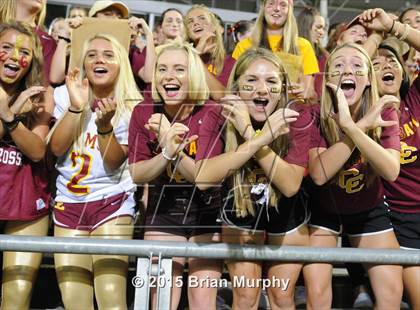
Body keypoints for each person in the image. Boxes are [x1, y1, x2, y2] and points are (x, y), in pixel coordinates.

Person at [195, 47, 312, 309]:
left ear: (282, 90)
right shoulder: (218, 113)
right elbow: (203, 178)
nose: (262, 89)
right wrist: (261, 136)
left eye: (271, 81)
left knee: (281, 296)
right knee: (246, 297)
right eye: (252, 81)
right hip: (241, 205)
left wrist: (249, 132)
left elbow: (291, 185)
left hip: (287, 210)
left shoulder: (298, 116)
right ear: (236, 87)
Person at [303, 42, 403, 310]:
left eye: (357, 65)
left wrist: (351, 127)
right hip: (323, 210)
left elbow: (391, 170)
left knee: (392, 292)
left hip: (368, 208)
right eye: (338, 65)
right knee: (317, 292)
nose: (347, 70)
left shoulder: (385, 110)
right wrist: (357, 127)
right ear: (327, 80)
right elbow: (319, 174)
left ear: (369, 80)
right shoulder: (314, 113)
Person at [128, 41, 223, 310]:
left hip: (207, 211)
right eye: (162, 69)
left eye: (179, 69)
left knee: (203, 300)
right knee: (162, 301)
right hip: (164, 210)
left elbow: (203, 179)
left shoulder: (211, 112)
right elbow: (137, 173)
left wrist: (170, 144)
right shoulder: (143, 111)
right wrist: (166, 152)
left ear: (193, 75)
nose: (169, 76)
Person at [48, 33, 140, 309]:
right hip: (68, 205)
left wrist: (104, 126)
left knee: (112, 298)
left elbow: (113, 162)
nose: (99, 59)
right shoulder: (65, 93)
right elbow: (56, 148)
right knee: (75, 301)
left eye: (109, 54)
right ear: (84, 64)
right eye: (92, 54)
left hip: (112, 202)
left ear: (121, 64)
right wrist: (77, 107)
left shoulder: (132, 105)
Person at [360, 8, 420, 309]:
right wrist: (374, 38)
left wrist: (393, 26)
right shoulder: (362, 112)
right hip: (399, 220)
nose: (386, 65)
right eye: (376, 63)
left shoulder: (415, 100)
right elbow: (348, 66)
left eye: (392, 61)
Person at [0, 21, 54, 310]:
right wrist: (10, 111)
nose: (13, 57)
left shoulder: (40, 94)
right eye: (6, 47)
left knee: (16, 301)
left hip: (25, 203)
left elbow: (36, 150)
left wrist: (11, 118)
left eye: (23, 51)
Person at [232, 0, 319, 100]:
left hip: (290, 109)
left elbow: (310, 92)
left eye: (283, 5)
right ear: (263, 8)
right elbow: (233, 86)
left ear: (289, 10)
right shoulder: (244, 46)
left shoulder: (303, 46)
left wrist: (306, 92)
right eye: (271, 3)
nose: (277, 8)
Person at [185, 4, 236, 100]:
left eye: (202, 18)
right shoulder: (183, 56)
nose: (196, 23)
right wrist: (196, 53)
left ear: (213, 26)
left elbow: (220, 96)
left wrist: (196, 57)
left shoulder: (230, 62)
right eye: (190, 21)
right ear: (187, 31)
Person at [0, 0, 56, 85]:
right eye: (6, 47)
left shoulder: (48, 42)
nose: (15, 57)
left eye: (25, 52)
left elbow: (42, 89)